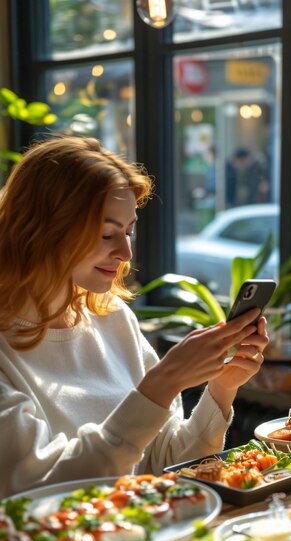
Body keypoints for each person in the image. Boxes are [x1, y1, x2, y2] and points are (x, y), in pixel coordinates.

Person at [0, 136, 269, 499]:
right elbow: (41, 488)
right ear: (42, 227)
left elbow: (162, 464)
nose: (125, 252)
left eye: (129, 231)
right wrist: (160, 384)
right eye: (107, 233)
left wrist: (221, 389)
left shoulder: (112, 318)